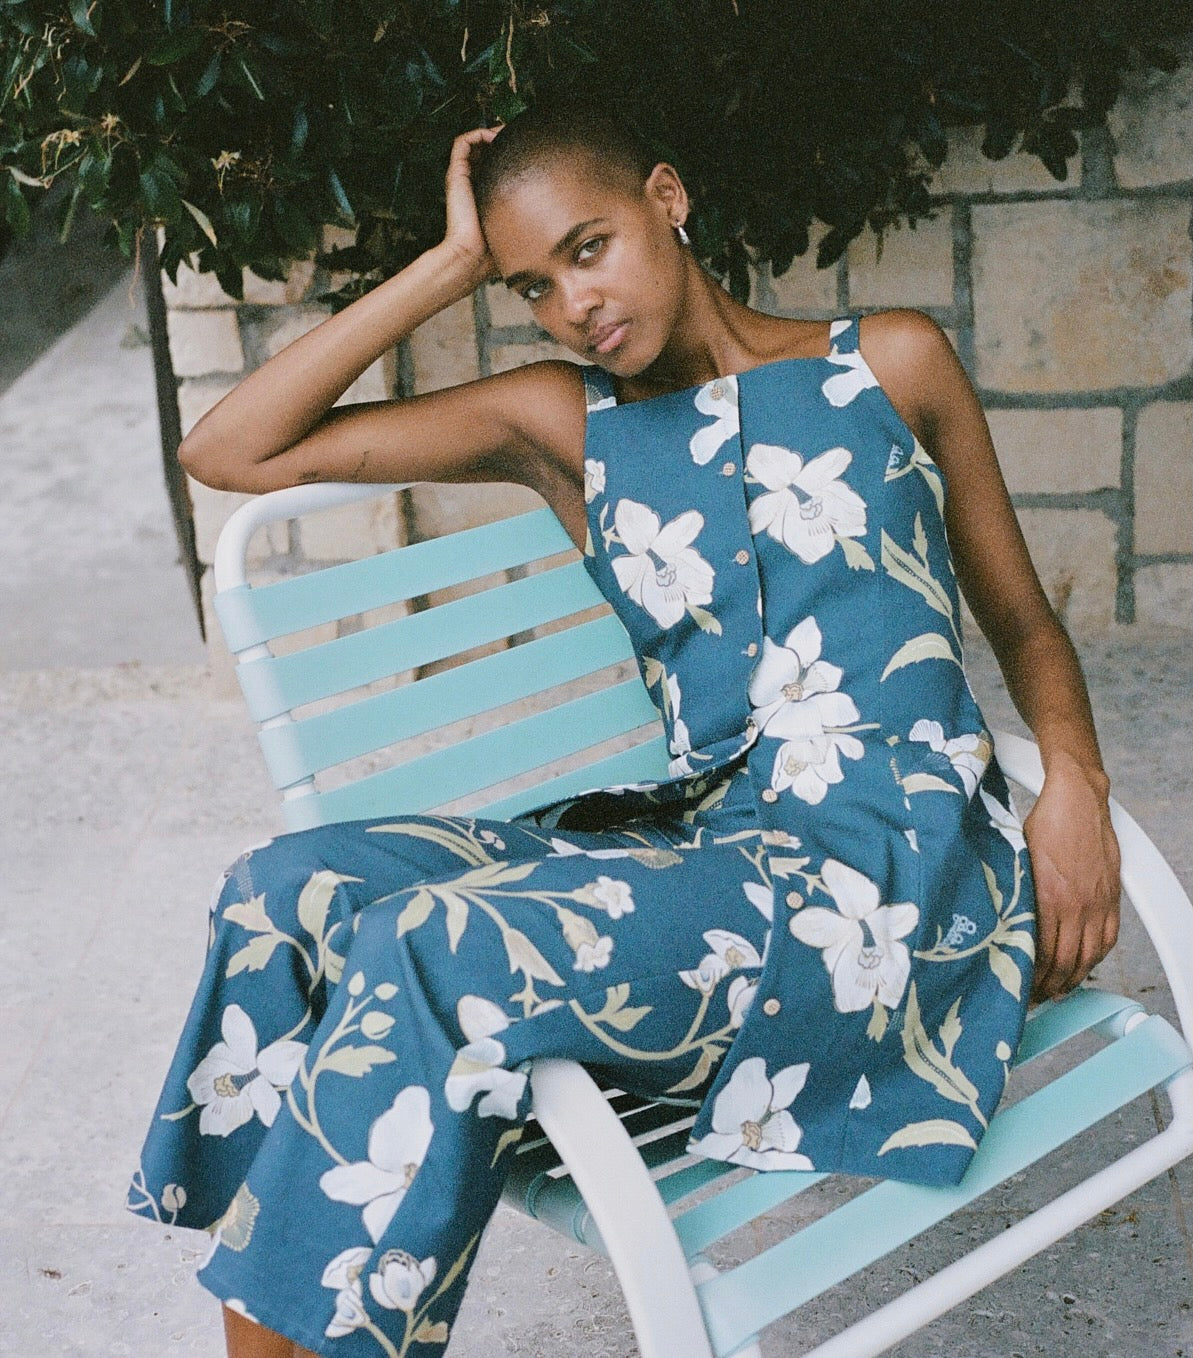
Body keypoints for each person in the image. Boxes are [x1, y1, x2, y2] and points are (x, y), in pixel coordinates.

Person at [127, 99, 1122, 1358]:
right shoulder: (562, 424)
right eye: (531, 285)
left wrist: (1071, 788)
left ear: (667, 196)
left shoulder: (892, 362)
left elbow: (1024, 620)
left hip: (879, 882)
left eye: (586, 247)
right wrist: (447, 268)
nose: (572, 305)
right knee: (281, 890)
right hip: (699, 850)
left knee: (432, 947)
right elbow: (226, 449)